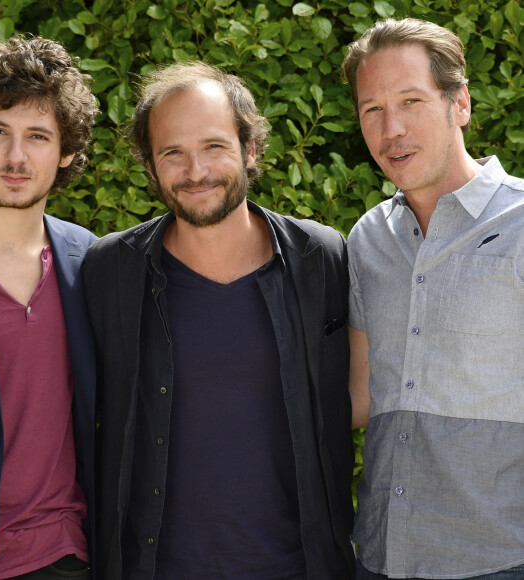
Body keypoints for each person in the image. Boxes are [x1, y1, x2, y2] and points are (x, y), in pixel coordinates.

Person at [83, 61, 354, 580]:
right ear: (150, 165)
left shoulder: (319, 258)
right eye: (173, 153)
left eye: (214, 146)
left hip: (299, 568)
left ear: (249, 149)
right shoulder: (110, 270)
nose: (195, 171)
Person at [342, 17, 524, 580]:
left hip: (499, 559)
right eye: (372, 109)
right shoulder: (367, 238)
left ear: (461, 103)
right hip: (381, 556)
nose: (391, 127)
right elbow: (358, 394)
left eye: (411, 101)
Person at [0, 36, 99, 579]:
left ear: (67, 151)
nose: (15, 156)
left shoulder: (91, 262)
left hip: (62, 553)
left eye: (37, 136)